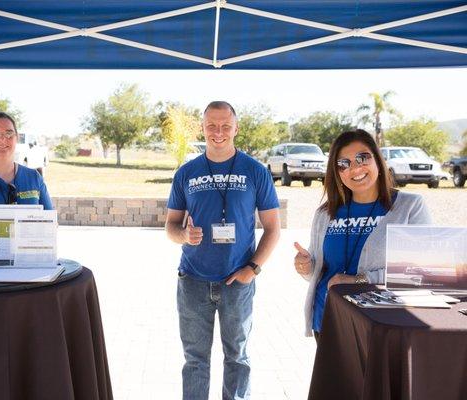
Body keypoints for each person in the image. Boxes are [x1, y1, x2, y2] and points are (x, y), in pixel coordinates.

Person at [165, 101, 281, 399]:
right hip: (192, 281)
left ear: (236, 128)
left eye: (225, 126)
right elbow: (171, 227)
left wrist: (252, 269)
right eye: (211, 126)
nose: (218, 132)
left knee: (238, 359)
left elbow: (273, 228)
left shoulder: (255, 171)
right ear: (202, 128)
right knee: (195, 361)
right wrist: (184, 235)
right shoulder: (186, 173)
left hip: (237, 283)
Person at [294, 129, 432, 340]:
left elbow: (422, 271)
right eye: (344, 163)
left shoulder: (410, 206)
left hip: (382, 324)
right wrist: (306, 267)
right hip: (326, 320)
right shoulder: (325, 213)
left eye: (362, 158)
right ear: (337, 172)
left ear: (378, 159)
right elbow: (318, 269)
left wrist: (359, 279)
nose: (355, 168)